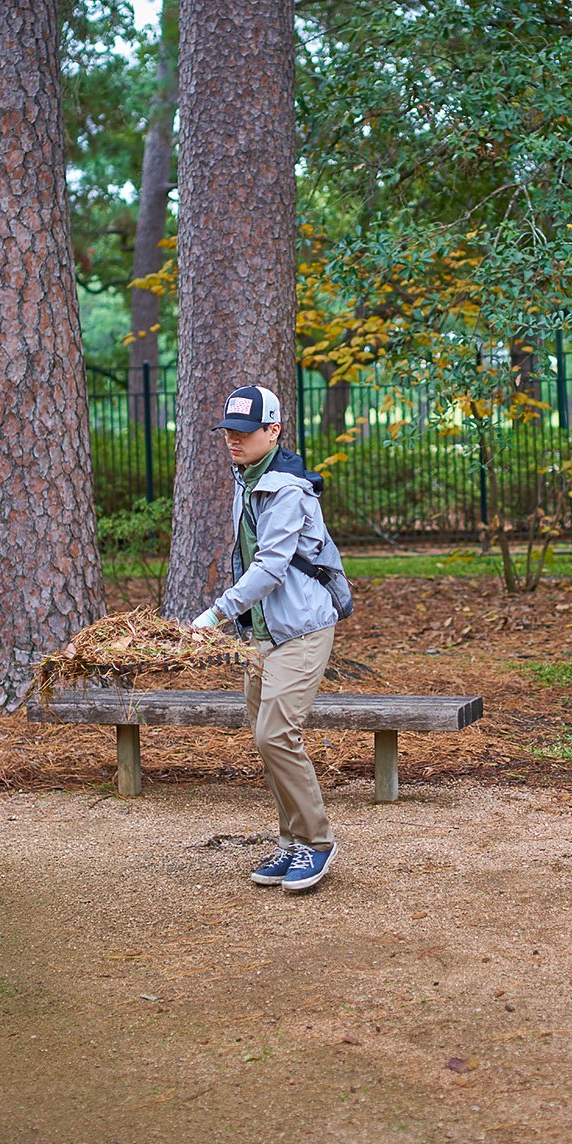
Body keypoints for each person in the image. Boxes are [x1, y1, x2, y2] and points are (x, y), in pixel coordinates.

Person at [192, 384, 350, 895]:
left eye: (245, 432)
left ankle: (318, 843)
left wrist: (216, 613)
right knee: (266, 738)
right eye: (228, 432)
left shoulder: (283, 487)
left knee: (275, 735)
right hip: (263, 631)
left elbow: (272, 566)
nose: (233, 441)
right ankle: (291, 840)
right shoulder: (247, 477)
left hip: (301, 628)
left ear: (273, 430)